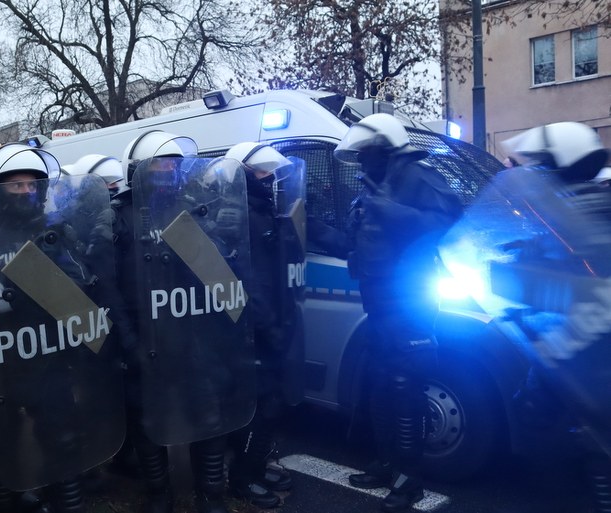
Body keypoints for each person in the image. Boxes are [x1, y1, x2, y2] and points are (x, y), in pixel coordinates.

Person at [0, 143, 123, 513]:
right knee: (2, 447)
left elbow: (83, 278)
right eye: (16, 185)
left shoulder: (53, 228)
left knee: (62, 439)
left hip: (48, 357)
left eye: (32, 185)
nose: (26, 192)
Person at [307, 113, 462, 512]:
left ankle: (409, 481)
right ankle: (388, 464)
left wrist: (391, 209)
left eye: (367, 153)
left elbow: (449, 217)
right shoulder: (370, 191)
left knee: (404, 384)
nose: (361, 162)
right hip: (377, 302)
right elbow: (353, 245)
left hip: (409, 300)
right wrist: (311, 227)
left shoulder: (418, 177)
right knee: (379, 383)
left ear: (387, 149)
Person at [113, 130, 248, 513]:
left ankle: (211, 494)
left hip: (195, 336)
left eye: (175, 161)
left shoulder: (192, 207)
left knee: (208, 413)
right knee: (149, 420)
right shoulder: (120, 216)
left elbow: (217, 271)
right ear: (138, 169)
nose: (170, 168)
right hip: (147, 337)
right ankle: (159, 494)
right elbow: (108, 288)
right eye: (161, 161)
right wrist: (129, 342)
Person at [498, 121, 611, 513]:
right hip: (570, 360)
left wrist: (554, 348)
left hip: (590, 367)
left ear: (563, 167)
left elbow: (601, 299)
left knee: (594, 454)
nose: (536, 174)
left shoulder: (589, 217)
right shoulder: (570, 210)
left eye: (543, 165)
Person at [222, 143, 299, 509]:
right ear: (243, 175)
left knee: (271, 402)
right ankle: (242, 477)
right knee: (261, 405)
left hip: (271, 323)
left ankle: (255, 465)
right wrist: (269, 325)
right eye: (261, 173)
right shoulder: (240, 216)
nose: (269, 179)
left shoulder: (263, 210)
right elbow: (249, 283)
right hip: (254, 329)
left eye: (269, 172)